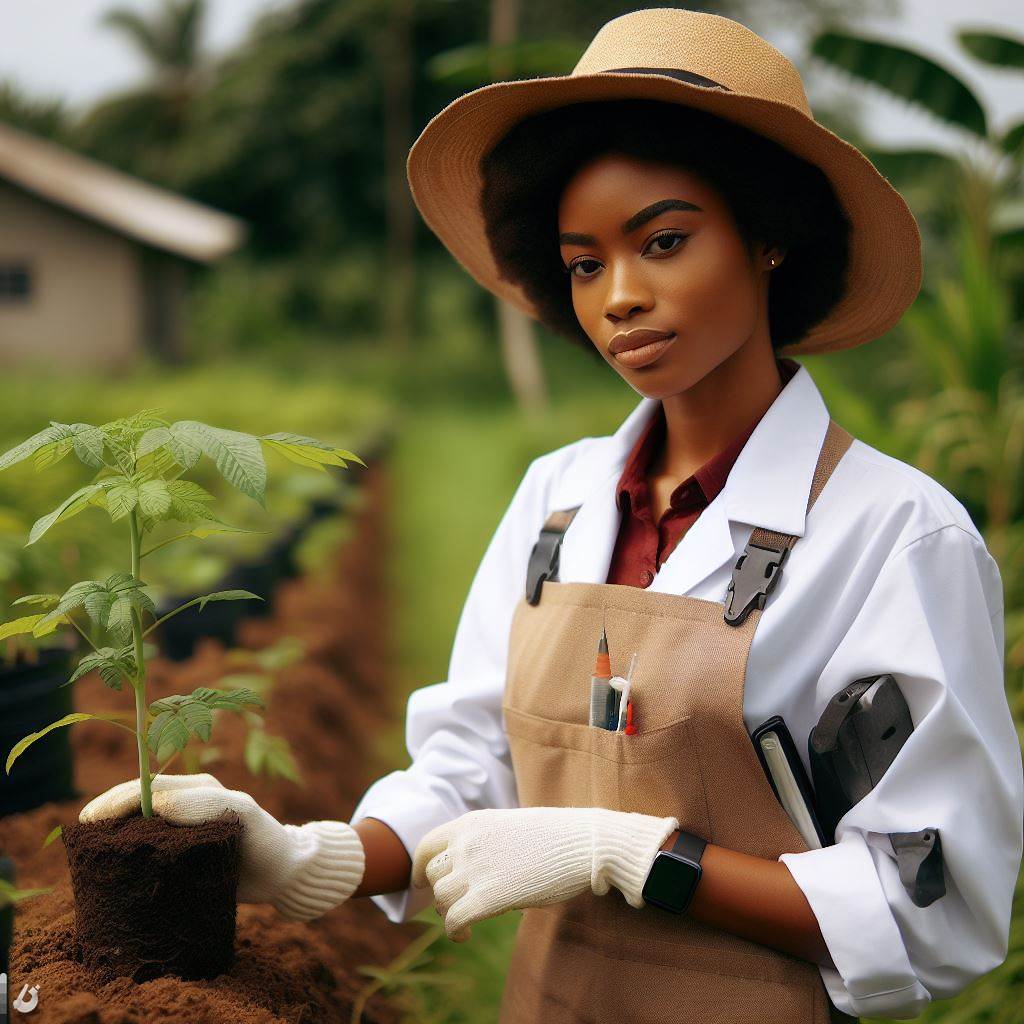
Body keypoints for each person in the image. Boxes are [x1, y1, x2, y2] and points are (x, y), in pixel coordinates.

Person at [81, 9, 1023, 1023]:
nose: (619, 296)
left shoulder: (890, 533)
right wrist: (313, 857)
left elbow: (933, 906)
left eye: (662, 241)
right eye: (584, 263)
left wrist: (628, 854)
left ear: (768, 238)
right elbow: (471, 763)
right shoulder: (558, 502)